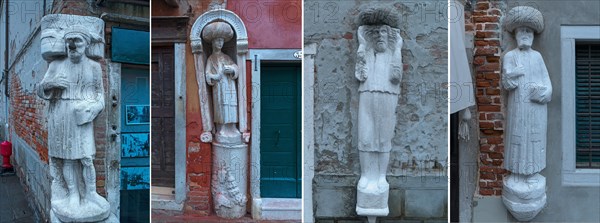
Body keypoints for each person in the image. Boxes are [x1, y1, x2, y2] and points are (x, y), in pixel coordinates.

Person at [38, 26, 105, 207]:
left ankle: (90, 193)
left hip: (82, 115)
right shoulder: (56, 65)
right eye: (69, 42)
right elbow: (40, 89)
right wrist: (52, 83)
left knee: (86, 158)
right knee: (68, 158)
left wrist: (92, 109)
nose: (72, 46)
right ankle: (73, 194)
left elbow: (100, 97)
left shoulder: (94, 67)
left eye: (77, 41)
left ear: (86, 44)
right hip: (61, 114)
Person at [355, 22, 403, 192]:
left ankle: (381, 176)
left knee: (384, 137)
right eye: (375, 33)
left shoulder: (392, 55)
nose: (379, 36)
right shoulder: (367, 54)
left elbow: (396, 76)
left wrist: (398, 48)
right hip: (367, 95)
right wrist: (361, 44)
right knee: (365, 136)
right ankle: (366, 175)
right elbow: (360, 75)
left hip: (387, 96)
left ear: (389, 36)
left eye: (383, 32)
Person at [202, 22, 240, 138]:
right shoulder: (211, 58)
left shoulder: (226, 57)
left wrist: (231, 69)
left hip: (229, 84)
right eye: (218, 41)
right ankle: (222, 128)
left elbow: (235, 67)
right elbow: (207, 74)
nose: (220, 43)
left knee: (231, 106)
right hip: (219, 86)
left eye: (222, 41)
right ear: (213, 42)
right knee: (220, 106)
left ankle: (232, 127)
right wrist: (215, 77)